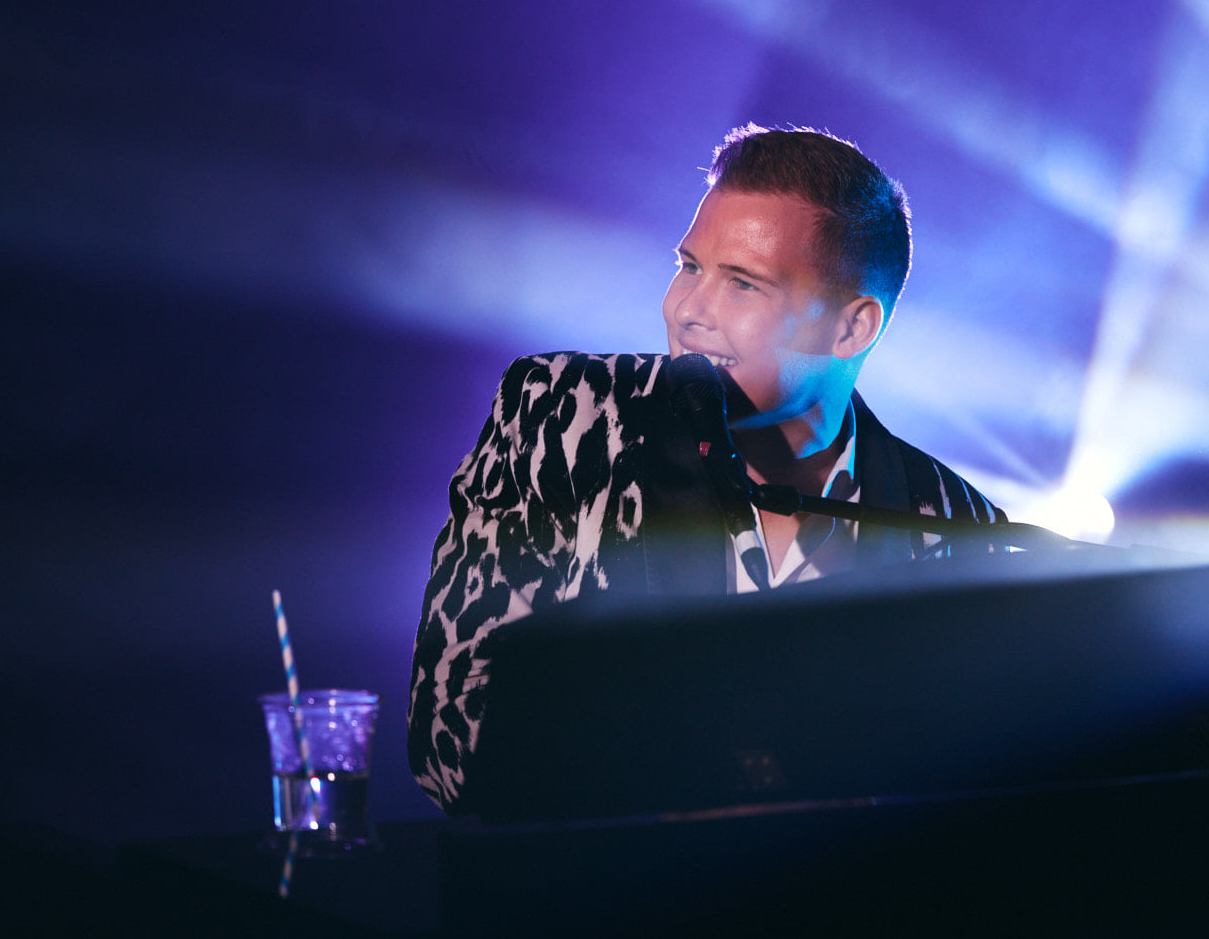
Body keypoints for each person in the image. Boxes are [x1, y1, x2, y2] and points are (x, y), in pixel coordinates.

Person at [406, 125, 1004, 813]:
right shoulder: (564, 416)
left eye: (743, 284)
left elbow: (983, 795)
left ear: (852, 327)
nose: (687, 311)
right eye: (689, 266)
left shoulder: (960, 526)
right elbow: (448, 741)